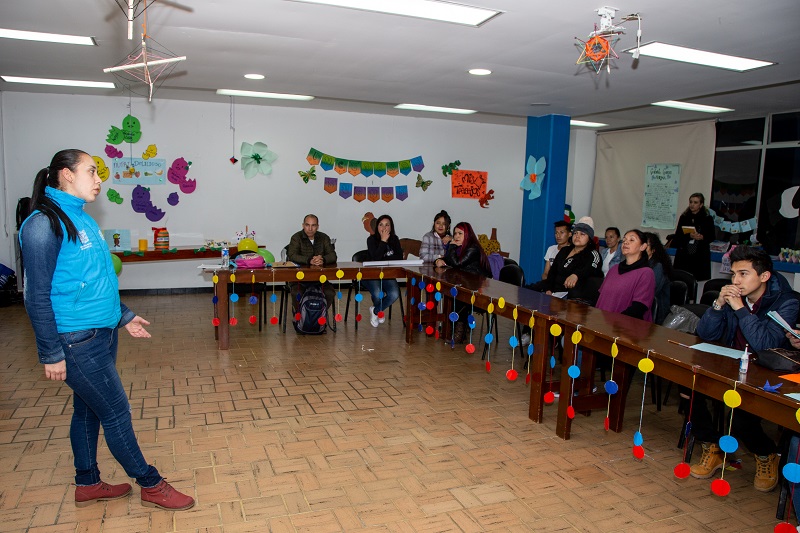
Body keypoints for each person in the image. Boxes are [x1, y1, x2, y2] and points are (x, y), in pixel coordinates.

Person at [19, 149, 195, 511]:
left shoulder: (80, 219)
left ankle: (87, 483)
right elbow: (35, 296)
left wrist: (123, 315)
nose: (99, 179)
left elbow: (97, 278)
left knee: (88, 410)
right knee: (116, 411)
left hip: (100, 333)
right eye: (92, 171)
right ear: (66, 174)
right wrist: (50, 352)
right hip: (75, 340)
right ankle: (150, 484)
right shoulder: (42, 224)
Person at [689, 246, 798, 492]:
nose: (736, 281)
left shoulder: (787, 301)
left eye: (743, 274)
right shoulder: (731, 298)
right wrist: (718, 304)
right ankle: (712, 447)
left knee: (739, 419)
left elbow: (766, 345)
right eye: (734, 274)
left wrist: (739, 308)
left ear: (764, 276)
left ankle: (766, 454)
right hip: (731, 364)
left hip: (768, 373)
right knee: (691, 390)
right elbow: (705, 334)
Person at [434, 221, 492, 342]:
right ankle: (451, 328)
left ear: (468, 235)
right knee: (454, 293)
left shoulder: (473, 248)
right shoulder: (461, 248)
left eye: (460, 233)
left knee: (459, 296)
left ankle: (459, 333)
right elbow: (449, 260)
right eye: (455, 233)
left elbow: (457, 263)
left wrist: (451, 246)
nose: (456, 236)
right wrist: (438, 261)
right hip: (466, 283)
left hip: (479, 288)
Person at [527, 217, 603, 304]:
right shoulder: (565, 250)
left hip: (571, 295)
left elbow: (592, 269)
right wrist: (549, 289)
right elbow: (553, 272)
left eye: (582, 234)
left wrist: (576, 275)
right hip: (553, 289)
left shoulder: (593, 254)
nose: (577, 236)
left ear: (589, 238)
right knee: (527, 291)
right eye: (575, 233)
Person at [596, 229, 656, 321]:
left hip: (623, 328)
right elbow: (600, 296)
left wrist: (615, 322)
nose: (626, 243)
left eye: (631, 240)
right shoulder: (614, 269)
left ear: (643, 246)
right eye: (624, 240)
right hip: (601, 321)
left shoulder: (646, 273)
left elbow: (639, 307)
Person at [286, 214, 338, 311]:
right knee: (297, 293)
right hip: (299, 280)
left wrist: (323, 259)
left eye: (313, 225)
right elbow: (292, 255)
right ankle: (300, 317)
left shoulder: (324, 237)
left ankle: (320, 315)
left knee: (329, 293)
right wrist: (309, 260)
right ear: (303, 225)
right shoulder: (296, 238)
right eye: (307, 225)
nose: (310, 228)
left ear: (317, 226)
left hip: (320, 279)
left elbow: (333, 255)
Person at [363, 215, 403, 327]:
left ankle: (376, 311)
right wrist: (383, 242)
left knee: (394, 293)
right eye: (381, 225)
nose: (384, 227)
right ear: (377, 227)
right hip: (371, 274)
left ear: (391, 227)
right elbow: (375, 259)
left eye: (387, 225)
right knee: (377, 293)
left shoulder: (395, 239)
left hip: (388, 274)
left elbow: (399, 258)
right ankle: (379, 311)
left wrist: (383, 258)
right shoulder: (371, 240)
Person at [671, 193, 716, 281]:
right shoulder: (684, 217)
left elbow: (711, 236)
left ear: (701, 204)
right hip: (684, 254)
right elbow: (678, 235)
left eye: (695, 202)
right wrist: (689, 235)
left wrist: (702, 237)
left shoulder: (707, 218)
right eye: (691, 202)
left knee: (696, 280)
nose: (692, 204)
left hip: (699, 255)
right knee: (681, 278)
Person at [644, 232, 673, 325]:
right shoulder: (638, 264)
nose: (642, 248)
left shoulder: (658, 266)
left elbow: (651, 292)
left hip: (656, 311)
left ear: (653, 250)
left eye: (646, 245)